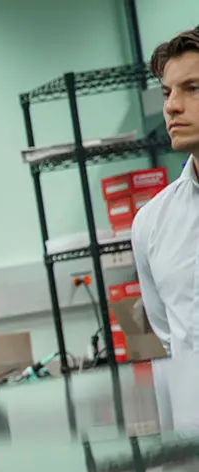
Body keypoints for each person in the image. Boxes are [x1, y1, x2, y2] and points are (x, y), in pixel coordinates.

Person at [133, 27, 199, 356]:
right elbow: (170, 336)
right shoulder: (151, 223)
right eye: (166, 92)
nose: (172, 106)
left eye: (192, 88)